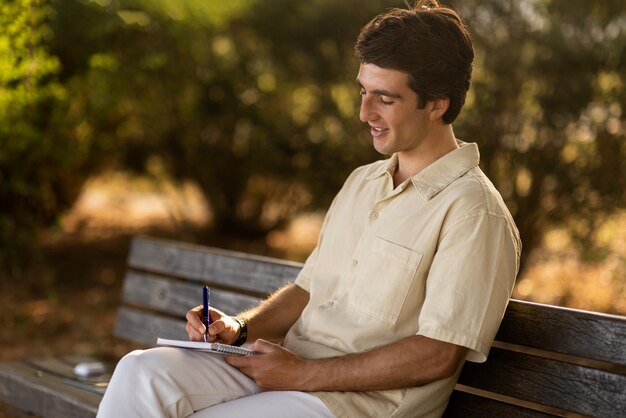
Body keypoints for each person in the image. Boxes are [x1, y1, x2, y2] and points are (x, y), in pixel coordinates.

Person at [97, 1, 521, 417]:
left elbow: (438, 354)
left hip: (357, 405)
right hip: (288, 369)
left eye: (385, 99)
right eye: (363, 91)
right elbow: (309, 288)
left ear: (437, 103)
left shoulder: (474, 213)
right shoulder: (363, 182)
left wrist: (303, 375)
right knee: (141, 372)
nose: (364, 112)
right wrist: (240, 329)